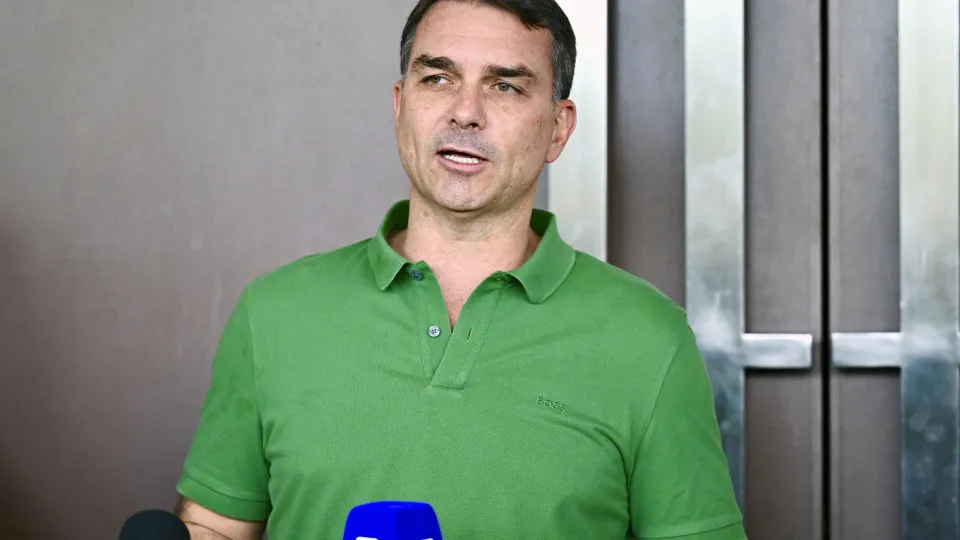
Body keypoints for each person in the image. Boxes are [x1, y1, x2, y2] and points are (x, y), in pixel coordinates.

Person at [173, 0, 746, 538]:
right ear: (400, 104)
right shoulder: (274, 313)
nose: (465, 112)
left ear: (559, 127)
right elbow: (215, 528)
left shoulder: (649, 339)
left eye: (505, 86)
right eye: (438, 78)